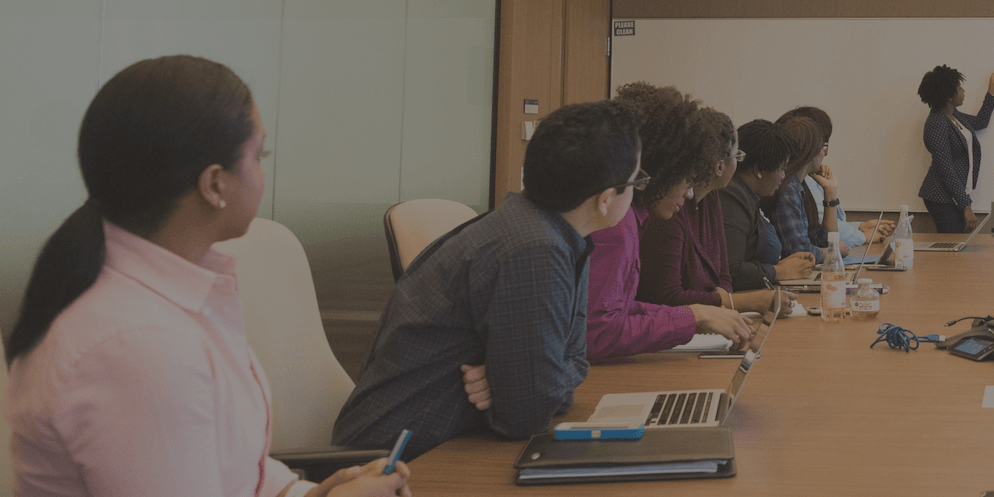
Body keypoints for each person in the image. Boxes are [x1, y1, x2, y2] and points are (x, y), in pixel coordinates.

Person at [0, 55, 413, 497]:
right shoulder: (137, 342)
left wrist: (303, 496)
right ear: (215, 183)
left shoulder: (173, 297)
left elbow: (216, 462)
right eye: (258, 156)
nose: (262, 171)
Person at [336, 99, 643, 459]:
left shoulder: (557, 233)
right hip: (395, 462)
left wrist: (514, 381)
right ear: (606, 199)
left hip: (444, 442)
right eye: (637, 180)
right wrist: (521, 384)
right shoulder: (535, 249)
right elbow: (526, 415)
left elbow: (575, 361)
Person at [584, 84, 754, 360]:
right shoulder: (617, 225)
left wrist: (696, 315)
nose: (689, 193)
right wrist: (693, 316)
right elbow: (599, 333)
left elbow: (618, 309)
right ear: (663, 172)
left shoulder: (630, 217)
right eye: (686, 180)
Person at [636, 102, 789, 316]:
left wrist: (724, 298)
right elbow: (667, 298)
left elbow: (724, 274)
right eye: (737, 157)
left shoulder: (712, 197)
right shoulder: (669, 209)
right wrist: (736, 302)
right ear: (719, 166)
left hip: (707, 319)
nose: (739, 164)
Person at [774, 107, 895, 263]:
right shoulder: (788, 189)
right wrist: (833, 251)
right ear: (809, 149)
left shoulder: (799, 185)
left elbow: (822, 240)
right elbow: (799, 252)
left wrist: (830, 192)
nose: (826, 153)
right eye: (823, 146)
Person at [720, 118, 815, 291]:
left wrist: (783, 265)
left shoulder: (746, 196)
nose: (783, 176)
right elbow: (731, 270)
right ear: (758, 169)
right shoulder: (733, 199)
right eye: (781, 169)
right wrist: (778, 271)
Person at [916, 63, 994, 233]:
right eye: (959, 89)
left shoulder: (954, 116)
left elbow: (980, 122)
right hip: (941, 197)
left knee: (959, 243)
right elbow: (945, 169)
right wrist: (966, 205)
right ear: (949, 96)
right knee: (953, 244)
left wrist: (992, 87)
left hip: (953, 196)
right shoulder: (937, 123)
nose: (963, 92)